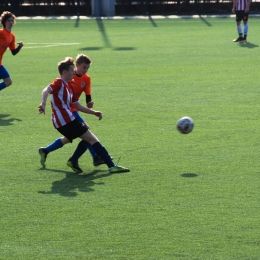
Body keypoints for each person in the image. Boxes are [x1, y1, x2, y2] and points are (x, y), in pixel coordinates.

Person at [38, 57, 130, 174]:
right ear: (65, 72)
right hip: (66, 120)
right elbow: (46, 90)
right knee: (92, 138)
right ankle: (110, 165)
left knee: (86, 137)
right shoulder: (59, 82)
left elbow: (78, 106)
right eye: (72, 70)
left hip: (64, 122)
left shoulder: (70, 86)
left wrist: (94, 112)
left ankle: (62, 156)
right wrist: (43, 103)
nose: (73, 72)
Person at [0, 11, 23, 91]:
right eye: (9, 20)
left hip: (0, 64)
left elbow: (13, 52)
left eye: (12, 20)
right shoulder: (1, 32)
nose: (11, 22)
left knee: (8, 81)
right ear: (4, 22)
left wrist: (19, 47)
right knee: (8, 81)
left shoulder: (12, 36)